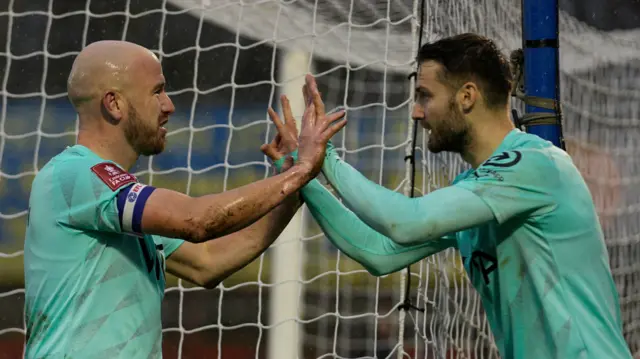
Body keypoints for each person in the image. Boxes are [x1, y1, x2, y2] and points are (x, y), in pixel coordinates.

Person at [262, 34, 633, 359]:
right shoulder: (478, 187)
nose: (416, 111)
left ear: (467, 96)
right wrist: (302, 172)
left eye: (425, 95)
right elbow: (378, 252)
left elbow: (405, 222)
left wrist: (324, 155)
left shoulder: (533, 163)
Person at [23, 40, 346, 358]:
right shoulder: (77, 174)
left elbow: (207, 261)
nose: (169, 105)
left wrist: (290, 186)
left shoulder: (118, 199)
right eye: (157, 91)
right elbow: (197, 220)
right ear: (114, 103)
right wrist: (301, 170)